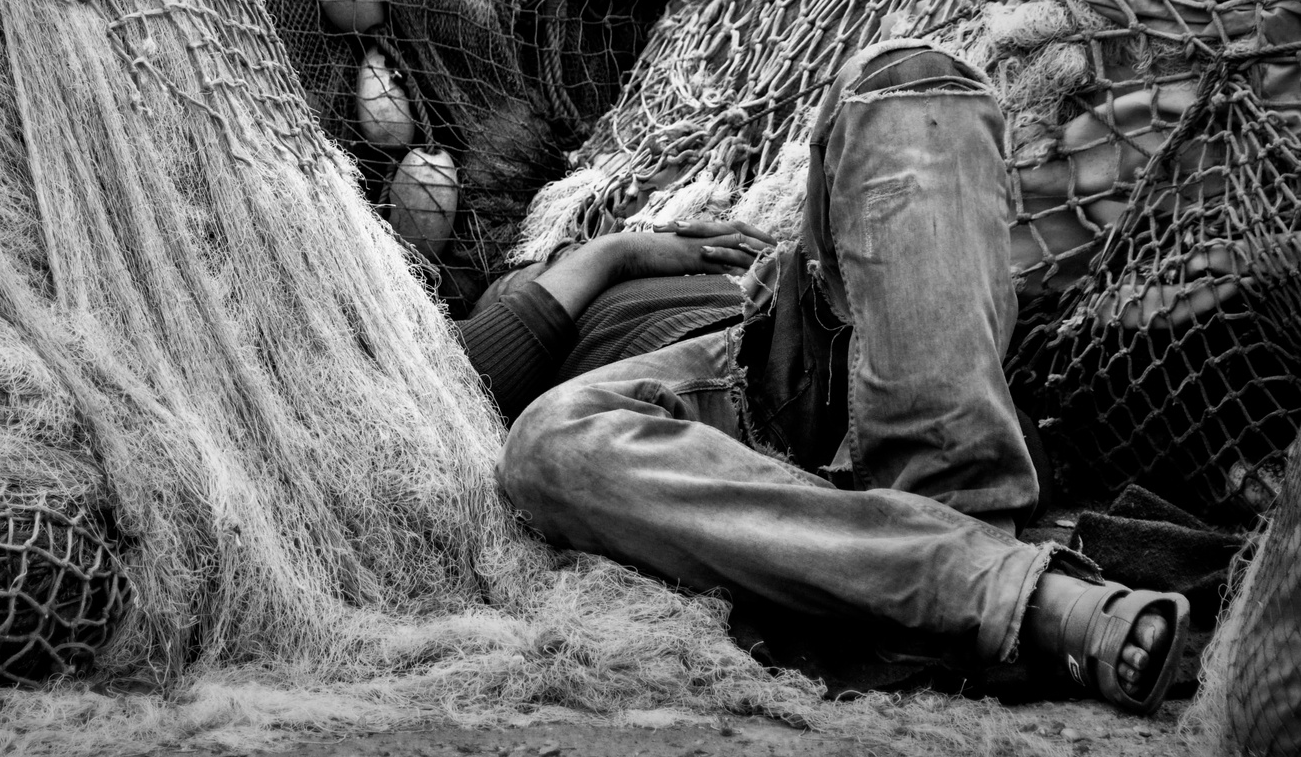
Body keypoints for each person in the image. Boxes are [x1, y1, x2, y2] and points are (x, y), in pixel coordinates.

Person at [458, 39, 1199, 715]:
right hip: (705, 419)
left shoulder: (691, 229)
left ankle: (946, 560)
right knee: (549, 446)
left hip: (801, 342)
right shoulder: (513, 288)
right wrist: (618, 252)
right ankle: (993, 581)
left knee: (903, 79)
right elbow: (487, 362)